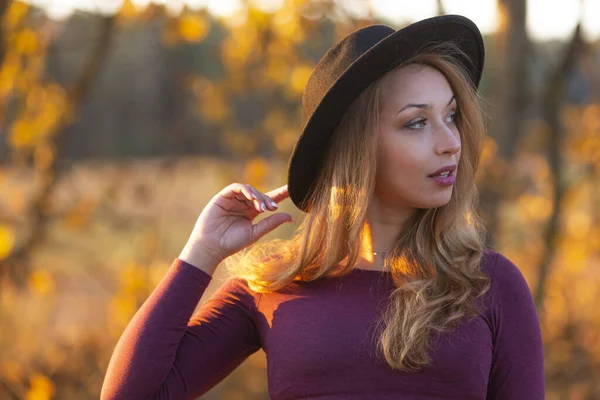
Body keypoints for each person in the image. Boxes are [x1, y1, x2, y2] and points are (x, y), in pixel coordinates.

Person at [101, 14, 545, 400]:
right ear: (355, 148)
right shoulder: (273, 285)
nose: (451, 144)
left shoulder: (489, 284)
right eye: (416, 123)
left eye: (451, 117)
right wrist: (201, 253)